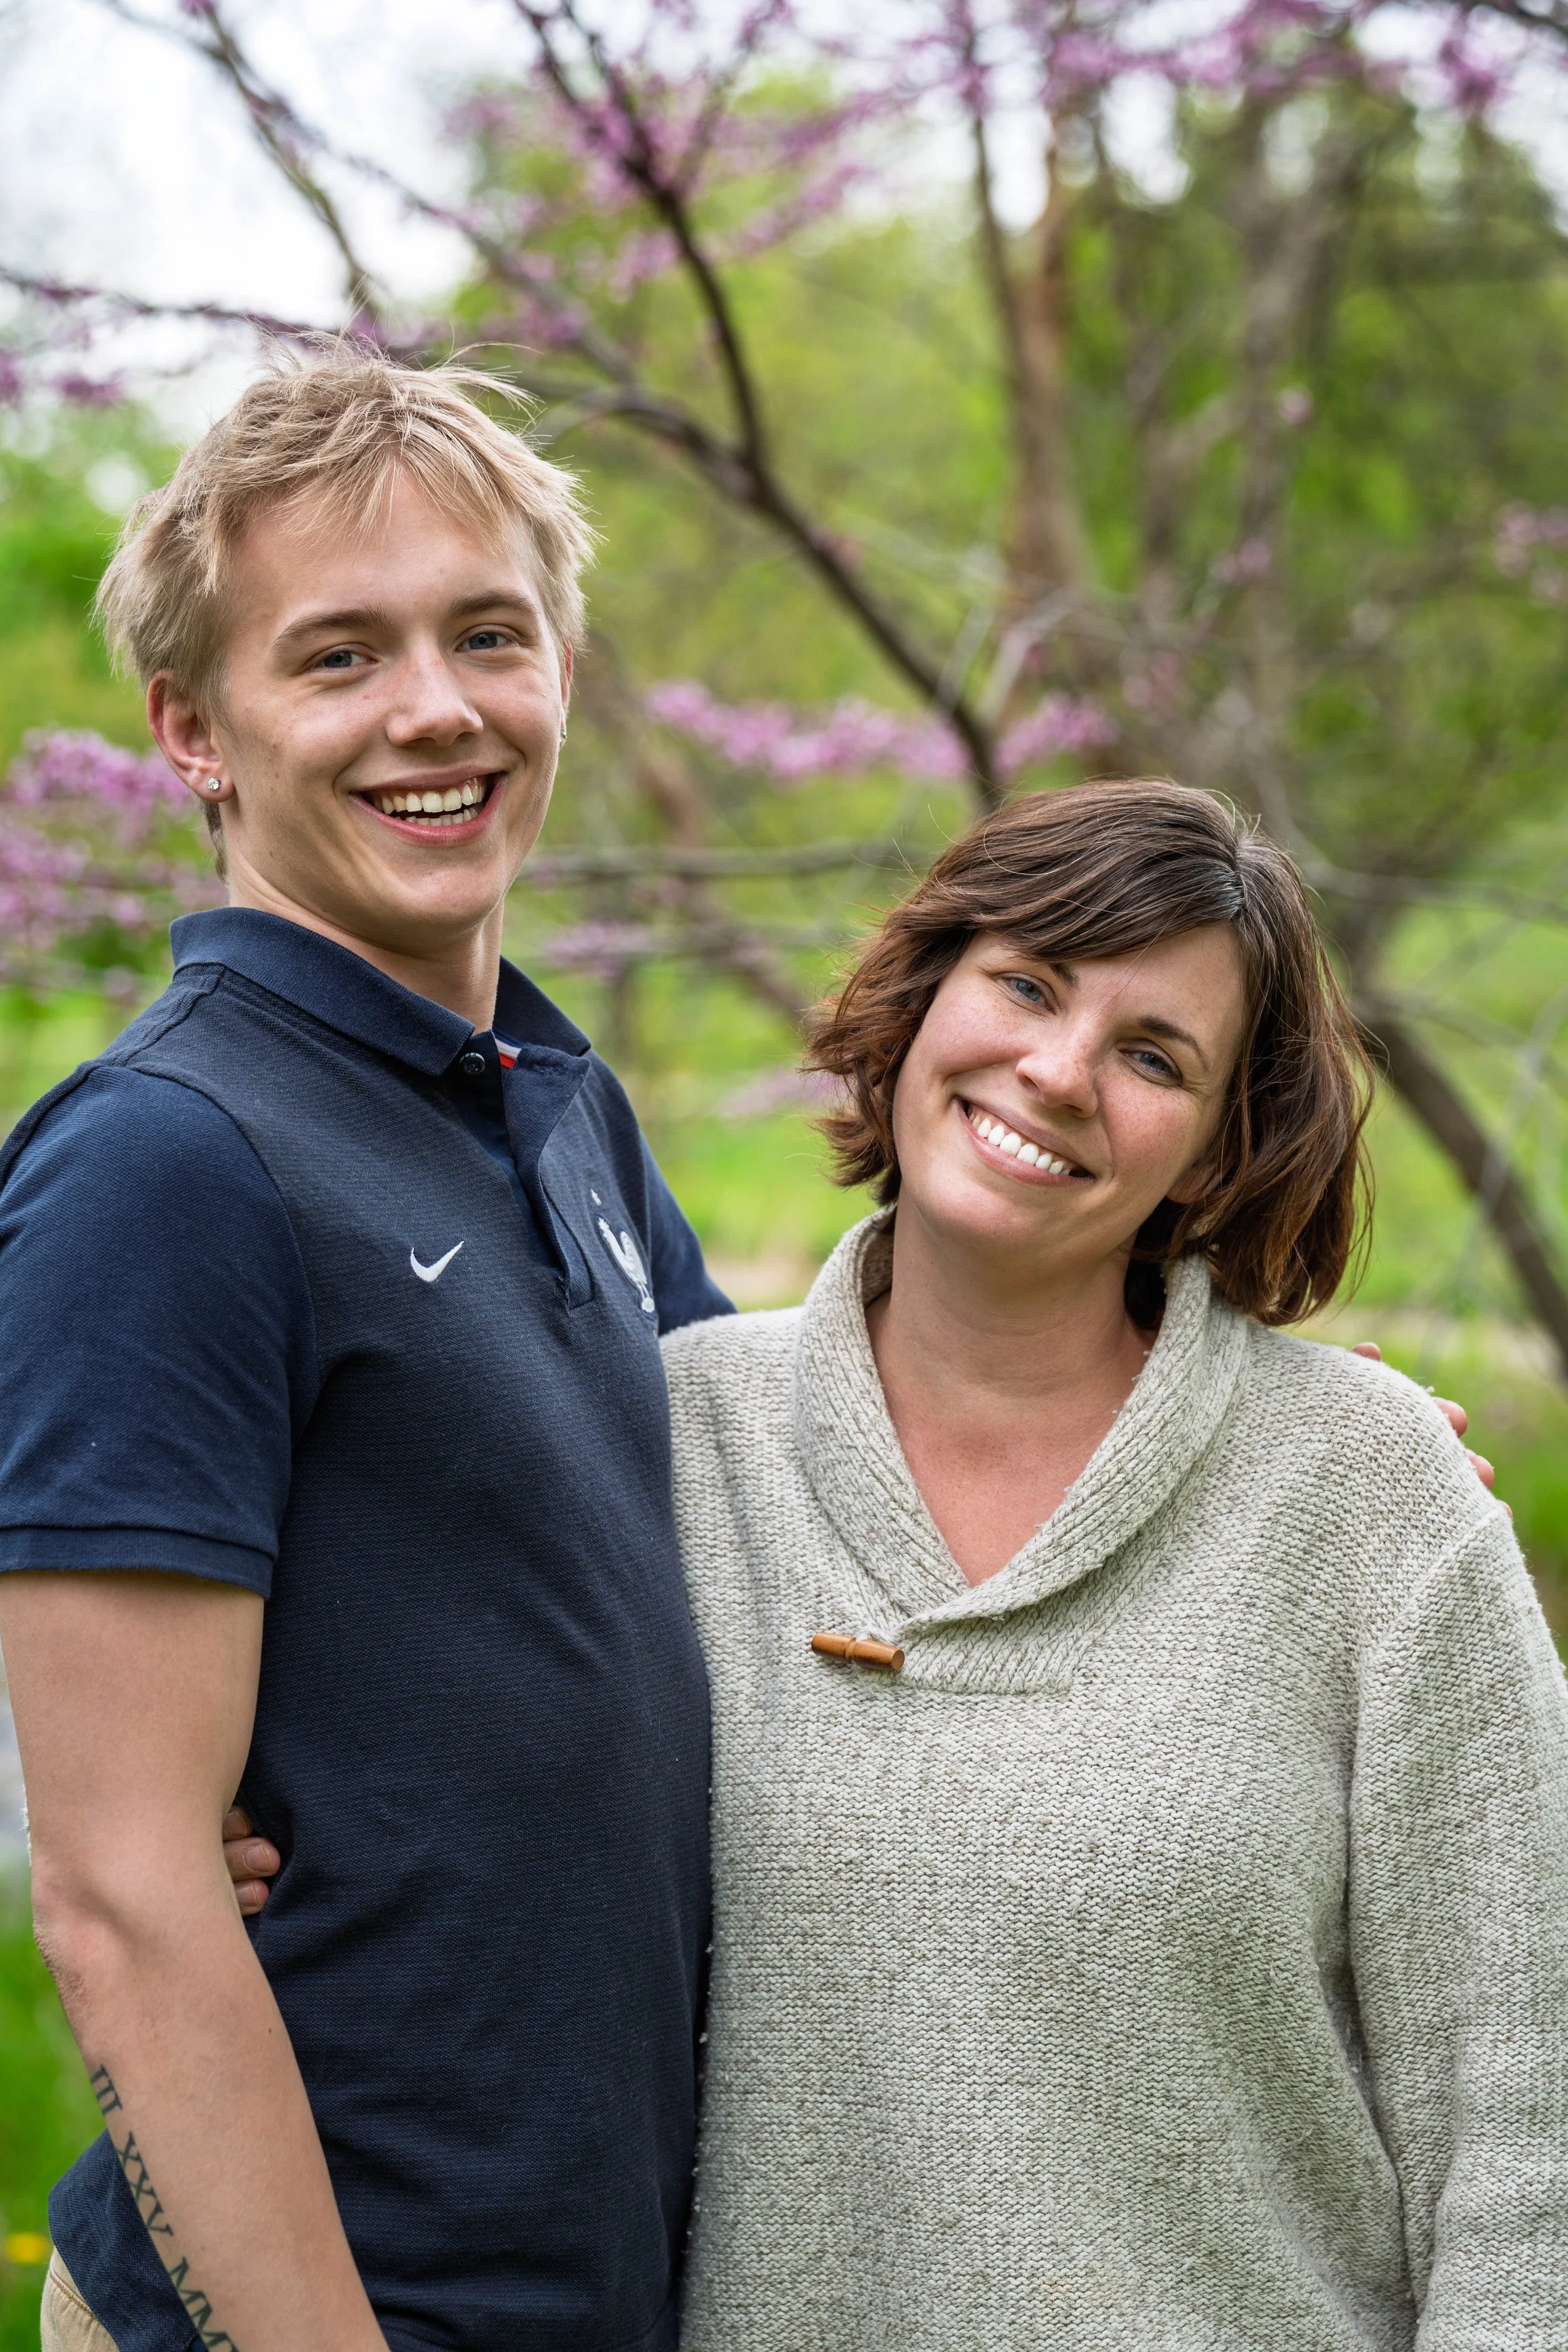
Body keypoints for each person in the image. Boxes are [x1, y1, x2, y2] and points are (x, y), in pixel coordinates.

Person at [0, 349, 728, 2352]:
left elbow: (816, 1483)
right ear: (191, 729)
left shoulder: (555, 1102)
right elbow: (128, 1897)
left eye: (488, 632)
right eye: (337, 656)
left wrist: (1294, 1446)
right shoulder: (168, 1154)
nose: (437, 708)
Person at [653, 781, 1568, 2346]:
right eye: (1025, 983)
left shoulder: (1366, 1495)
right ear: (918, 997)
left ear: (1216, 1152)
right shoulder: (669, 1442)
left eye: (1155, 1059)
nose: (1059, 1073)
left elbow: (1526, 2105)